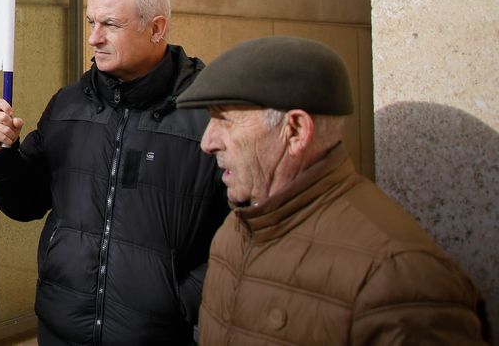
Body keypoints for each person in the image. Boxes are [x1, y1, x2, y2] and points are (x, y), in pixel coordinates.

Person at [178, 35, 490, 344]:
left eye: (225, 120)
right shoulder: (236, 229)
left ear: (296, 131)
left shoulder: (399, 277)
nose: (207, 142)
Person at [0, 0, 229, 345]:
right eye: (91, 22)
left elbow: (245, 229)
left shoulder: (210, 113)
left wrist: (183, 301)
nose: (94, 38)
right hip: (62, 328)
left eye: (110, 24)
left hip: (161, 335)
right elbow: (26, 201)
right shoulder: (69, 104)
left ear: (157, 28)